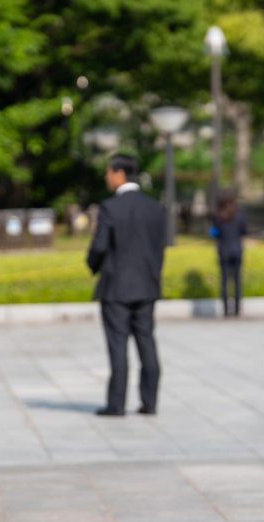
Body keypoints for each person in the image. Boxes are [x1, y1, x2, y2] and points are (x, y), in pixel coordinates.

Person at [86, 154, 166, 417]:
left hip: (116, 287)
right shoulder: (155, 207)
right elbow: (160, 248)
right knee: (147, 342)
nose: (106, 177)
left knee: (118, 346)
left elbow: (99, 246)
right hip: (147, 286)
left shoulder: (111, 207)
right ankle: (150, 402)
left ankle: (117, 404)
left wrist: (93, 265)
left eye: (108, 172)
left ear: (119, 173)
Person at [209, 189, 248, 317]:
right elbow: (244, 231)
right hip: (237, 250)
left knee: (224, 281)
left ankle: (226, 309)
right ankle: (237, 309)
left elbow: (214, 233)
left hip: (224, 250)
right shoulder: (240, 215)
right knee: (237, 280)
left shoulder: (218, 216)